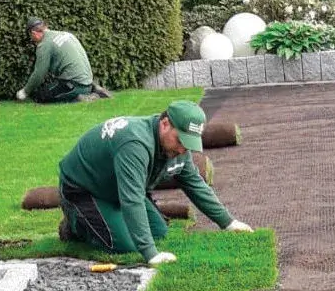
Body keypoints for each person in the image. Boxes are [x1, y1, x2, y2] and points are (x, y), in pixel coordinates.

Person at [56, 100, 253, 266]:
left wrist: (228, 222)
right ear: (165, 124)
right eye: (180, 140)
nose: (184, 149)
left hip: (117, 187)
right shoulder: (135, 144)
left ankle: (109, 216)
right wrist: (151, 254)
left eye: (189, 143)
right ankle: (74, 225)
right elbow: (132, 199)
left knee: (159, 232)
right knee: (126, 245)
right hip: (85, 190)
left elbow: (194, 183)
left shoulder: (178, 149)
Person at [16, 17, 112, 104]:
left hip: (74, 85)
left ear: (33, 33)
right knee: (57, 86)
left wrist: (25, 91)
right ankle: (94, 88)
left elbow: (39, 73)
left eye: (31, 36)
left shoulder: (45, 44)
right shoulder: (66, 34)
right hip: (88, 81)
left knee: (40, 96)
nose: (32, 40)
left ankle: (83, 98)